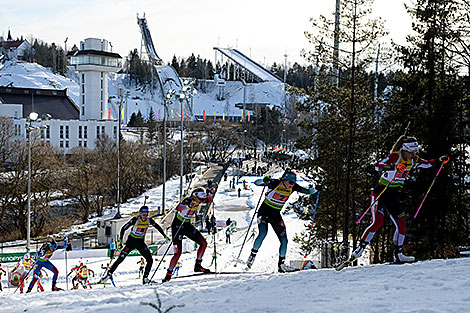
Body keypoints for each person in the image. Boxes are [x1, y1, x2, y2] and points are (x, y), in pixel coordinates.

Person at [348, 136, 448, 264]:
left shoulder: (413, 160)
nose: (413, 155)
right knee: (377, 222)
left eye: (415, 152)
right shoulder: (395, 156)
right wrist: (394, 167)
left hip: (392, 196)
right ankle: (359, 250)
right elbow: (378, 166)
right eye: (411, 152)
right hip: (380, 193)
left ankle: (398, 254)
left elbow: (427, 163)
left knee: (402, 224)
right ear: (405, 150)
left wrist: (439, 161)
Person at [246, 169, 319, 272]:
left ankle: (281, 265)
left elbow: (308, 191)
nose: (292, 185)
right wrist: (265, 180)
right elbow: (257, 183)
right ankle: (252, 255)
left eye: (293, 182)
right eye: (290, 182)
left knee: (284, 240)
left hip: (275, 215)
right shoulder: (275, 183)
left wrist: (316, 189)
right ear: (284, 180)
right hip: (264, 212)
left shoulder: (293, 187)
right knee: (263, 233)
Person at [101, 206, 168, 284]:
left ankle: (145, 278)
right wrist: (120, 240)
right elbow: (123, 228)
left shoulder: (149, 220)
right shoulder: (135, 219)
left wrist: (164, 235)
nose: (145, 216)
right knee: (121, 258)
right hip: (131, 242)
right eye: (143, 214)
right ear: (140, 214)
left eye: (146, 214)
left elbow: (157, 227)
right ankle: (109, 274)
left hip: (140, 242)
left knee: (150, 260)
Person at [162, 187, 215, 283]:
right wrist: (188, 207)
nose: (201, 201)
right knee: (178, 252)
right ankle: (168, 274)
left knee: (203, 243)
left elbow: (208, 200)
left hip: (186, 224)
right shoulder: (187, 200)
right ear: (194, 196)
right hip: (177, 225)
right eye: (200, 199)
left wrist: (211, 193)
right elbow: (178, 208)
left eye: (202, 199)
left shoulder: (199, 200)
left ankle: (198, 265)